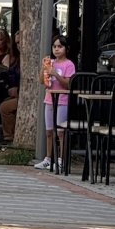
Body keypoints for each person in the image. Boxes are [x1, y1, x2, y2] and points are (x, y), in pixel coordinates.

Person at [34, 34, 76, 170]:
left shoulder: (69, 65)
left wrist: (56, 74)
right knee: (49, 131)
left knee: (60, 131)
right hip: (49, 99)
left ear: (66, 48)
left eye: (60, 46)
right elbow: (42, 81)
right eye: (54, 47)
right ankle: (47, 158)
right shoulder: (51, 63)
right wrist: (43, 69)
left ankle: (61, 159)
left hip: (62, 100)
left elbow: (68, 84)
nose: (57, 49)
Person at [0, 33, 23, 142]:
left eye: (20, 42)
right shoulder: (16, 59)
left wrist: (18, 91)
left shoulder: (32, 59)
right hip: (14, 92)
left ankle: (10, 138)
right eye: (16, 43)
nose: (19, 45)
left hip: (25, 96)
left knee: (5, 107)